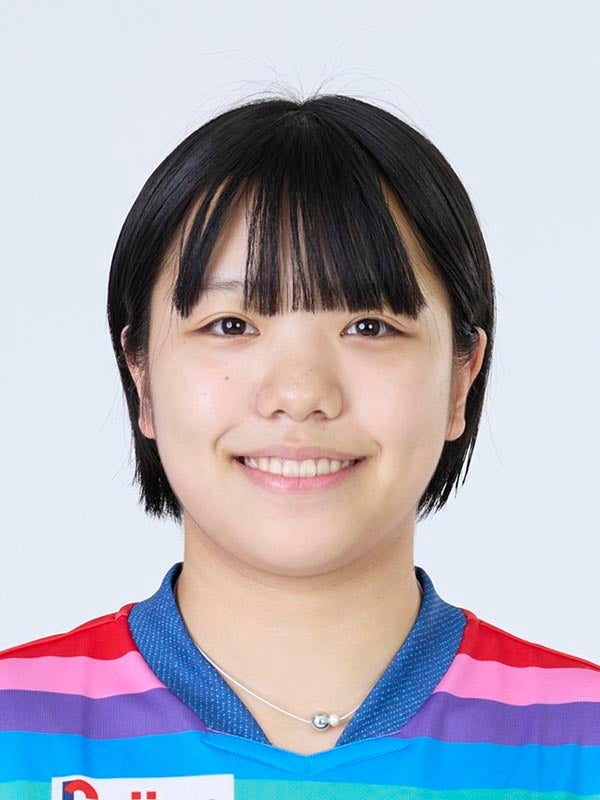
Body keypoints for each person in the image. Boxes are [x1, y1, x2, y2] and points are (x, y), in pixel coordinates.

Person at [1, 93, 598, 799]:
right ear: (142, 377)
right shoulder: (15, 731)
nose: (299, 392)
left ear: (460, 379)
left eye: (370, 326)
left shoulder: (581, 741)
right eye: (231, 325)